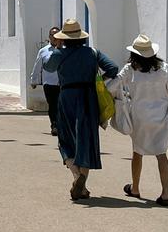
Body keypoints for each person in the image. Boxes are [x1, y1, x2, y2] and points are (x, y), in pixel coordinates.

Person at [110, 34, 168, 206]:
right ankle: (165, 193)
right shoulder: (164, 68)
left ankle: (135, 188)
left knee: (137, 153)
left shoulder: (129, 69)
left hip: (139, 118)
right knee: (161, 154)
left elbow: (112, 86)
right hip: (161, 117)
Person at [42, 18, 120, 201]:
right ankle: (82, 185)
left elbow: (48, 66)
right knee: (86, 138)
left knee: (65, 139)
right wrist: (99, 80)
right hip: (88, 96)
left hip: (67, 97)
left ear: (64, 38)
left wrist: (57, 47)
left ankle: (77, 177)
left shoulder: (59, 54)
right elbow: (113, 68)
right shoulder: (92, 53)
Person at [29, 26, 62, 136]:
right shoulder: (43, 51)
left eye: (57, 35)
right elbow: (37, 66)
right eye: (53, 35)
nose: (55, 38)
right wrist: (34, 80)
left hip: (62, 83)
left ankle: (61, 124)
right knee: (52, 105)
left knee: (61, 105)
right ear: (49, 37)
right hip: (49, 84)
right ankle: (54, 125)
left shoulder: (64, 50)